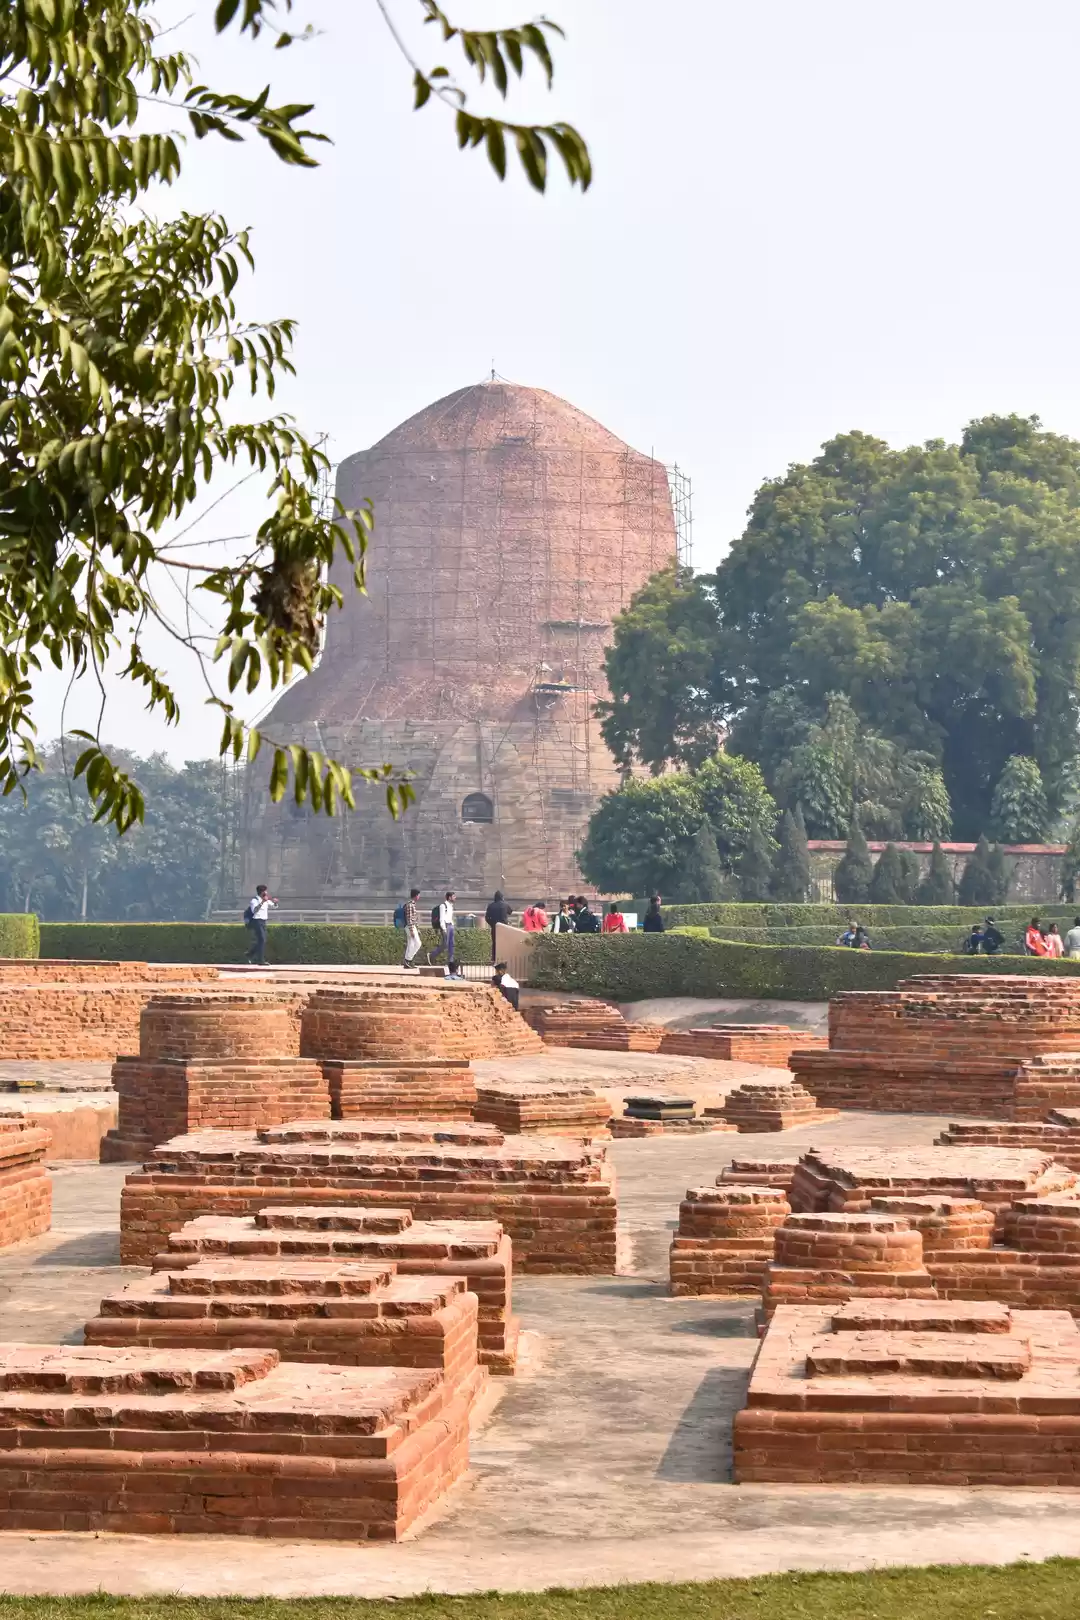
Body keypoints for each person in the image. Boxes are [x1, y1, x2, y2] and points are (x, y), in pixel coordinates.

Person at [243, 884, 277, 965]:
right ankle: (260, 960)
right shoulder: (254, 900)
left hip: (263, 921)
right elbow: (254, 910)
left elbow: (274, 906)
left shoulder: (266, 900)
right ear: (261, 892)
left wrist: (275, 902)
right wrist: (262, 902)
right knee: (262, 939)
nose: (266, 892)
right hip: (256, 921)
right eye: (265, 891)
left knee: (262, 940)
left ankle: (249, 954)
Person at [484, 889, 512, 963]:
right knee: (504, 943)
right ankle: (503, 958)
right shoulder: (505, 904)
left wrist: (491, 924)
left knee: (495, 943)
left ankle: (494, 959)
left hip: (494, 927)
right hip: (504, 927)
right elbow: (510, 912)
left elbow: (487, 918)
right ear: (502, 897)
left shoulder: (491, 905)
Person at [428, 890, 455, 965]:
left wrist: (452, 924)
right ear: (449, 897)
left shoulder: (451, 906)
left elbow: (450, 917)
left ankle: (451, 962)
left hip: (450, 925)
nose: (455, 898)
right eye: (453, 896)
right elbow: (442, 919)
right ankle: (432, 955)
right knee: (445, 944)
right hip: (445, 926)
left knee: (451, 945)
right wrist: (444, 929)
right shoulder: (443, 906)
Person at [401, 887, 422, 971]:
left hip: (412, 926)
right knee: (418, 943)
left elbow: (413, 918)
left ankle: (408, 962)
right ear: (416, 895)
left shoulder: (412, 904)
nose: (419, 897)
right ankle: (408, 960)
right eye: (418, 895)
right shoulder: (410, 905)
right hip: (410, 926)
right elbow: (409, 918)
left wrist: (417, 928)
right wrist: (411, 930)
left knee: (411, 944)